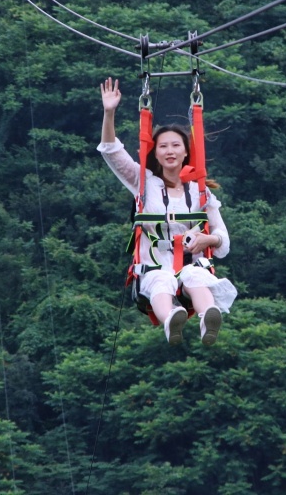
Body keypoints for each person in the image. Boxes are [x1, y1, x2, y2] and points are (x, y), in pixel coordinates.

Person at [98, 77, 237, 346]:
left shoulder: (200, 192)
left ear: (186, 152)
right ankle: (172, 318)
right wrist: (109, 112)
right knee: (160, 282)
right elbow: (112, 152)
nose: (170, 151)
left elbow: (223, 240)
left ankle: (209, 315)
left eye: (176, 145)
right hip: (152, 266)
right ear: (156, 153)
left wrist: (208, 240)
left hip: (190, 263)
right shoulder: (144, 182)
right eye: (163, 146)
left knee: (197, 277)